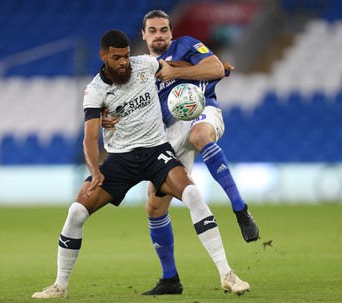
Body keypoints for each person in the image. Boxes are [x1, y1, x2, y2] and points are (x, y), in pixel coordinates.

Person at [32, 29, 249, 299]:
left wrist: (218, 68)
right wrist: (96, 172)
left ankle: (227, 274)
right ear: (104, 56)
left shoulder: (143, 64)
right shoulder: (95, 91)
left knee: (192, 194)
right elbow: (89, 139)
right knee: (76, 212)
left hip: (156, 152)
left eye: (125, 56)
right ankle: (60, 286)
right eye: (117, 58)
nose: (124, 62)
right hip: (120, 160)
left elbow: (175, 67)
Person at [102, 10, 259, 295]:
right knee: (154, 206)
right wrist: (105, 115)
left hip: (201, 112)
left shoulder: (186, 45)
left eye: (163, 29)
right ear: (144, 35)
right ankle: (170, 279)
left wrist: (177, 71)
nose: (159, 35)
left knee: (200, 134)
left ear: (171, 32)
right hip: (167, 133)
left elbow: (215, 68)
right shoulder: (138, 68)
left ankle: (240, 209)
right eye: (153, 30)